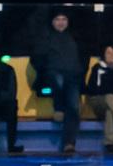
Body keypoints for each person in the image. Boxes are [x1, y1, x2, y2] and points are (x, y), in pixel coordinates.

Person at [31, 11, 83, 153]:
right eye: (57, 19)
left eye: (64, 19)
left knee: (73, 107)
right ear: (52, 22)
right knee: (57, 81)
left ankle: (69, 143)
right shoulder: (45, 38)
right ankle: (58, 107)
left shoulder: (75, 37)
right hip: (52, 75)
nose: (61, 22)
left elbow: (83, 57)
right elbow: (36, 58)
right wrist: (46, 70)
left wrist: (79, 71)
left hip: (73, 77)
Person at [0, 52, 23, 153]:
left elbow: (11, 93)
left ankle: (11, 146)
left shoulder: (8, 70)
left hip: (3, 106)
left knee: (12, 107)